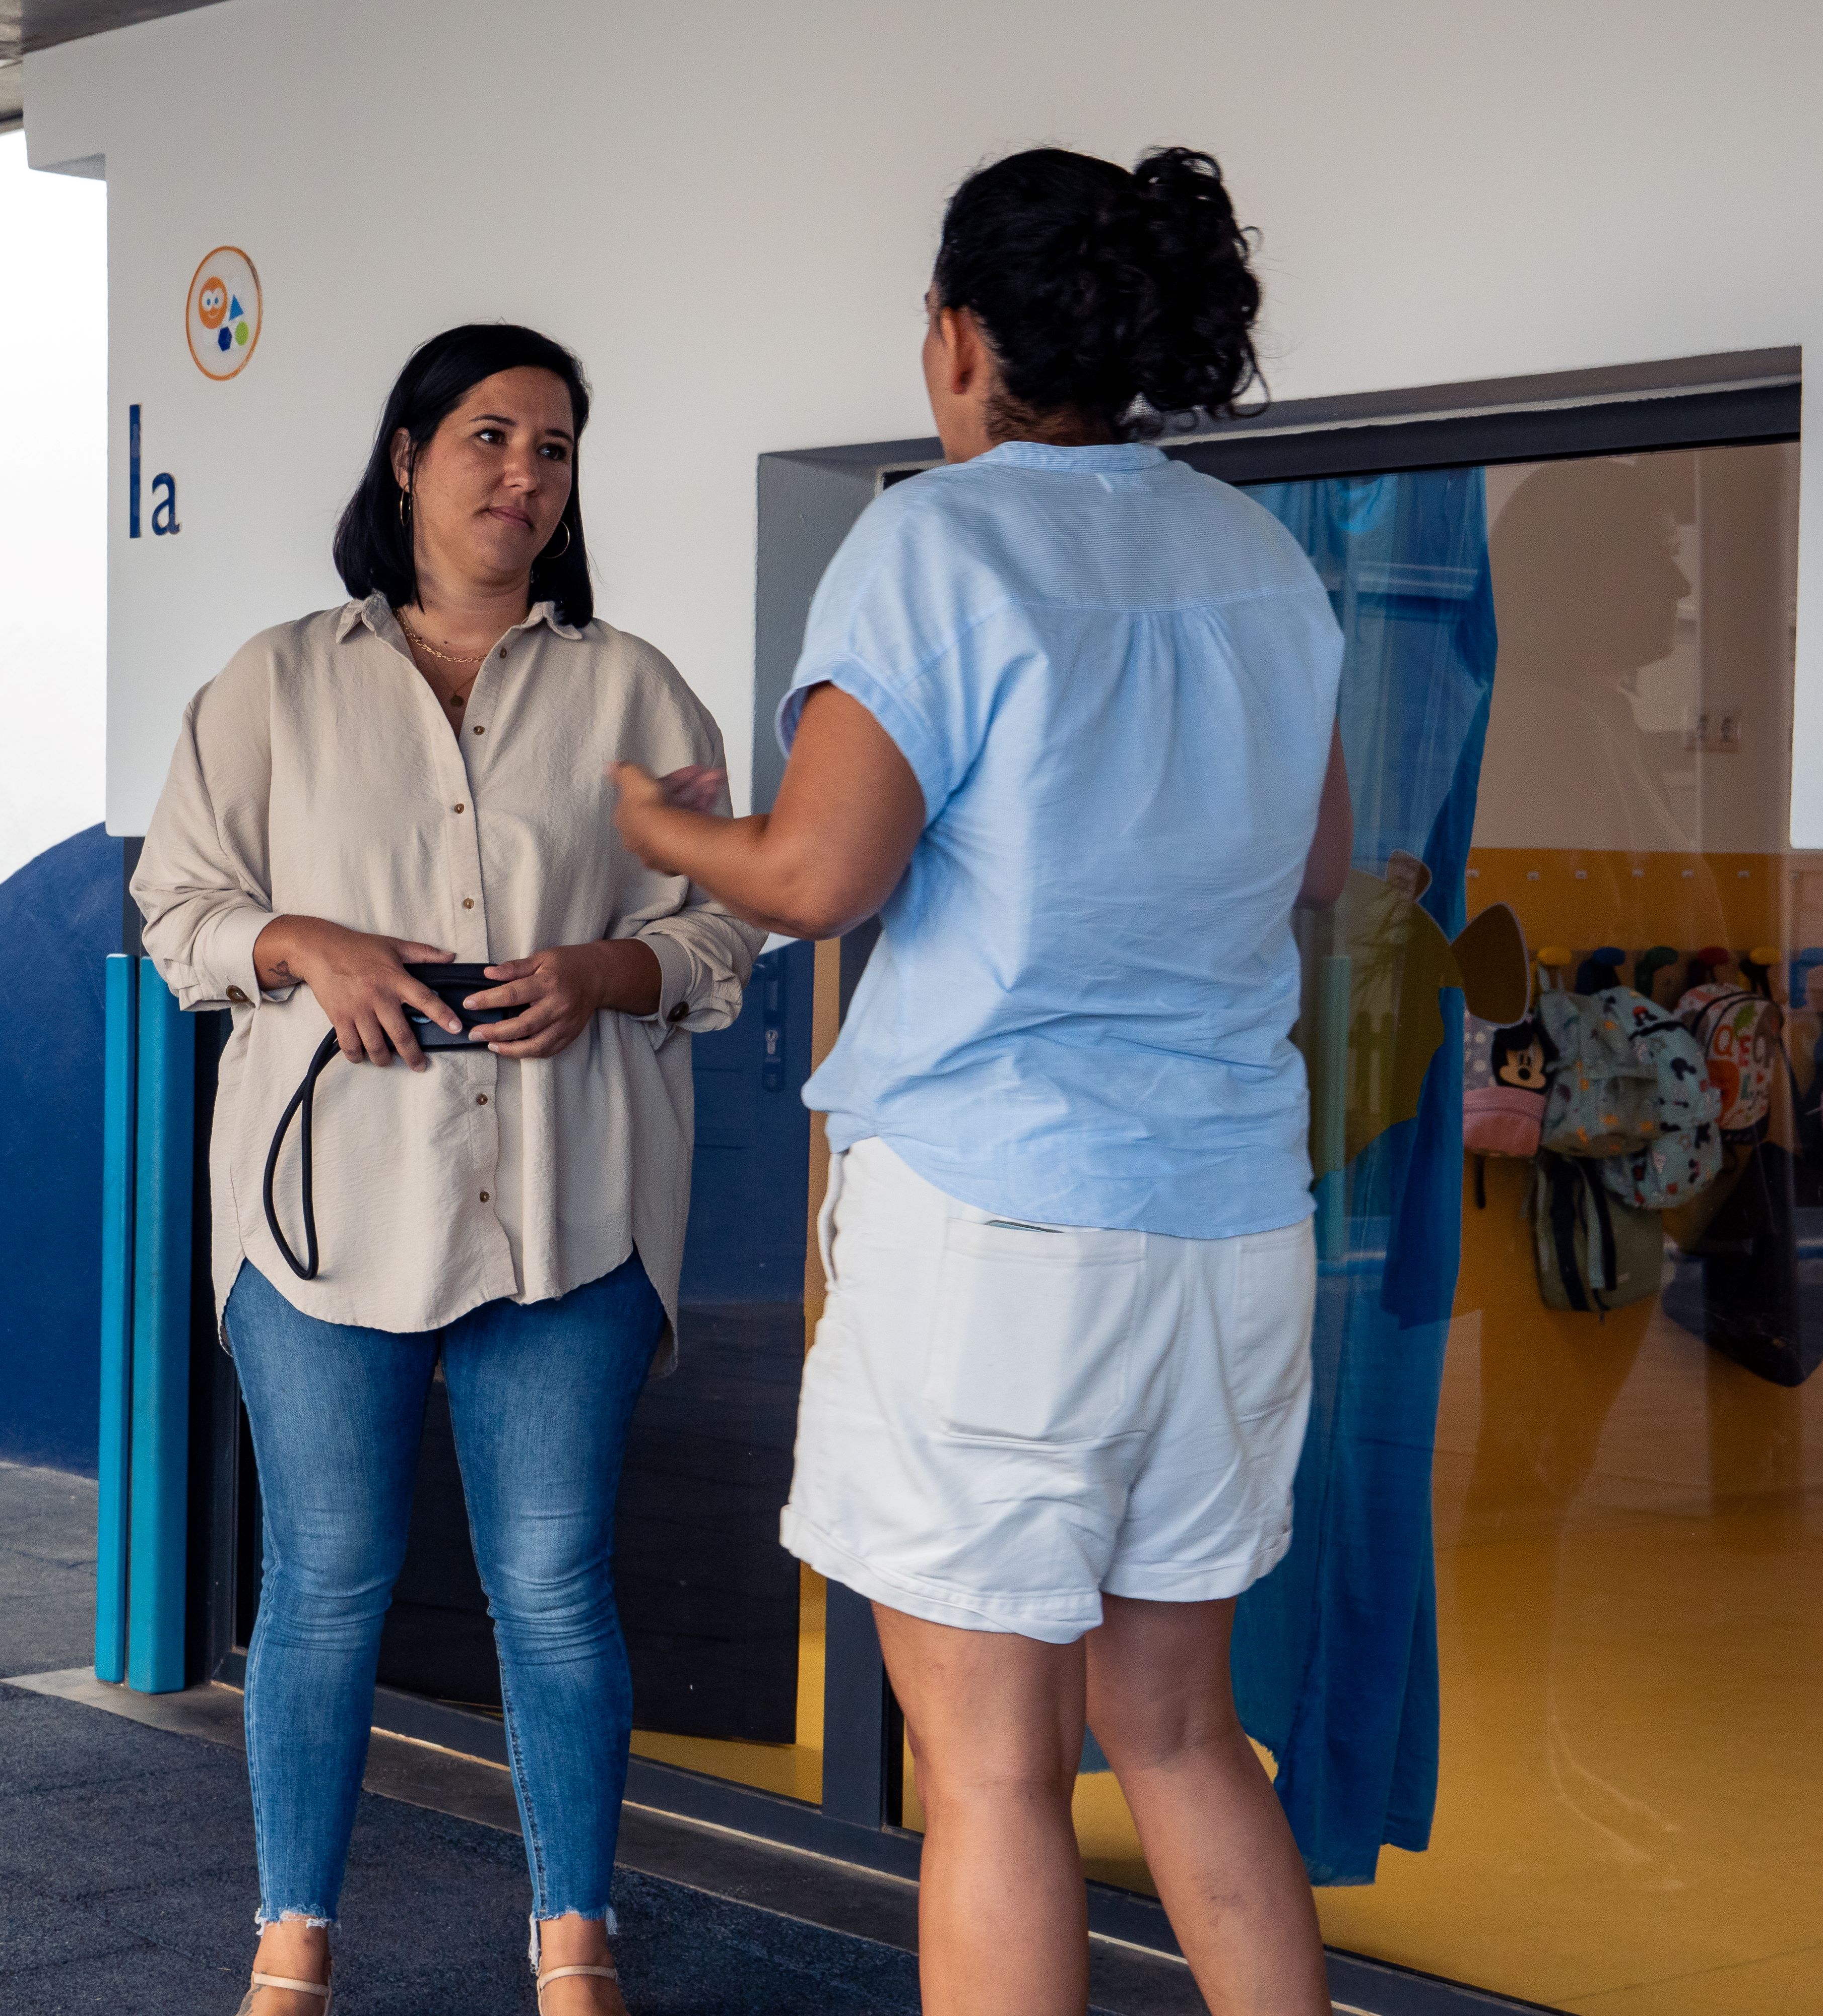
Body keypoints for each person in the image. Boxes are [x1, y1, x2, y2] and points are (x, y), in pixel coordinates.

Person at [610, 149, 1350, 2016]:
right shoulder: (1257, 558)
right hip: (1233, 1220)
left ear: (959, 339)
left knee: (995, 1775)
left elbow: (822, 879)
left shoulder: (937, 544)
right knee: (1182, 1735)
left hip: (1003, 1230)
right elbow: (1320, 864)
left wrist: (666, 832)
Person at [134, 323, 760, 2016]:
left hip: (570, 1211)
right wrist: (302, 943)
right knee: (323, 1581)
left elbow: (719, 930)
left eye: (554, 449)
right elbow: (175, 914)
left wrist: (607, 973)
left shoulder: (640, 694)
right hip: (323, 1219)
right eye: (489, 438)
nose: (524, 476)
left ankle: (574, 1941)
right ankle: (292, 1940)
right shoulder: (272, 683)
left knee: (553, 1586)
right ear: (406, 456)